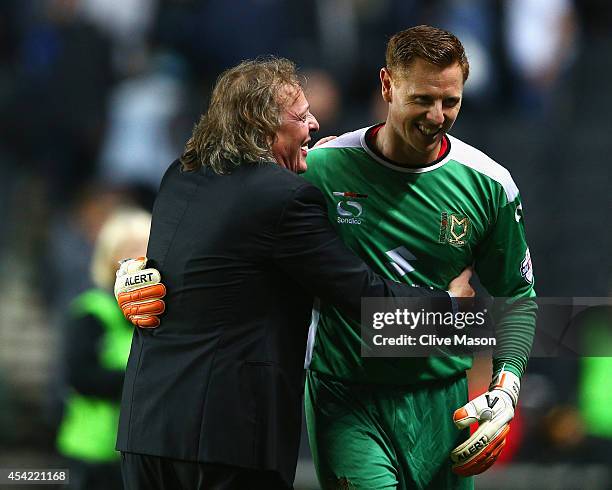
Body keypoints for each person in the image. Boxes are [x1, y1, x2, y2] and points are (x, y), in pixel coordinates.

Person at [113, 57, 475, 490]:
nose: (315, 123)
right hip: (224, 441)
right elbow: (362, 297)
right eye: (301, 117)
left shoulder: (180, 175)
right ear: (263, 127)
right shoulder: (283, 199)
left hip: (145, 428)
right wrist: (450, 310)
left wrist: (126, 273)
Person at [300, 25, 537, 489]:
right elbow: (242, 236)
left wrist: (506, 387)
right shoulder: (322, 170)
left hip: (441, 403)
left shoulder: (489, 185)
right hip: (347, 397)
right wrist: (141, 267)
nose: (438, 115)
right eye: (423, 100)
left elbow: (516, 296)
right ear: (387, 85)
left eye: (451, 101)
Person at [56, 207, 151, 490]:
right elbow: (81, 376)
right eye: (130, 249)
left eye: (146, 248)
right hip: (94, 452)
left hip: (143, 452)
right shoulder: (92, 312)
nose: (139, 258)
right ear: (110, 258)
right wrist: (142, 380)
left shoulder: (160, 315)